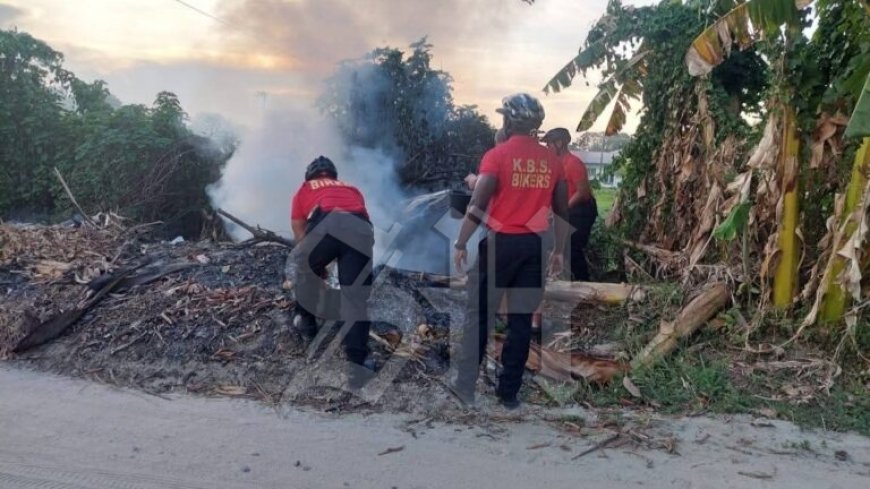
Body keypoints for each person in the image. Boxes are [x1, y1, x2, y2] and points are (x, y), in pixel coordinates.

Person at [451, 93, 569, 409]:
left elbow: (477, 204)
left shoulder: (497, 155)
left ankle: (465, 389)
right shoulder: (552, 161)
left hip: (500, 245)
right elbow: (561, 210)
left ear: (508, 121)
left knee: (479, 315)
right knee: (520, 322)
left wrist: (461, 242)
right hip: (534, 247)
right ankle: (509, 394)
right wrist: (557, 251)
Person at [290, 156, 375, 384]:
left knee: (304, 267)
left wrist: (316, 264)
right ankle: (358, 366)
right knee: (355, 297)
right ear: (334, 175)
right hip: (360, 228)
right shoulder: (351, 188)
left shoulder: (304, 189)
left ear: (310, 175)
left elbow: (300, 238)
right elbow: (359, 220)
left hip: (326, 223)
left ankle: (305, 322)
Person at [541, 128, 597, 281]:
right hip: (568, 208)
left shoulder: (573, 163)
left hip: (581, 210)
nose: (548, 148)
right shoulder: (557, 164)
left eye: (549, 144)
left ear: (559, 143)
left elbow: (583, 192)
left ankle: (583, 284)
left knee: (572, 247)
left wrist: (562, 209)